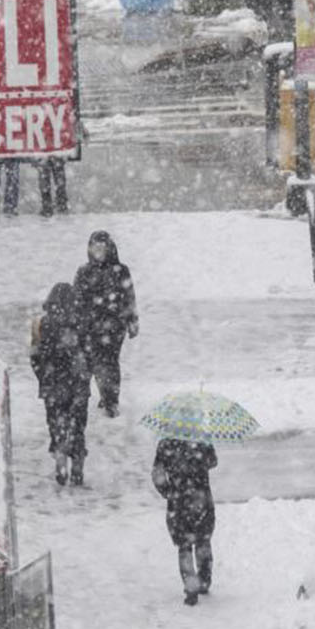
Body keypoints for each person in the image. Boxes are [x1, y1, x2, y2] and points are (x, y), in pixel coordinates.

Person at [30, 283, 91, 486]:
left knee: (57, 426)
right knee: (77, 426)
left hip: (53, 386)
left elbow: (35, 357)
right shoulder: (82, 325)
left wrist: (43, 378)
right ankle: (78, 467)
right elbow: (91, 356)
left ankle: (60, 463)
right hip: (78, 386)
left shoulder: (41, 324)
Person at [73, 231, 138, 417]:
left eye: (102, 248)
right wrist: (77, 322)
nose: (98, 252)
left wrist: (133, 320)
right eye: (94, 248)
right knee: (95, 363)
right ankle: (106, 394)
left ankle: (111, 399)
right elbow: (76, 299)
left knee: (109, 362)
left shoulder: (121, 270)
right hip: (91, 325)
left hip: (115, 326)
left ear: (109, 248)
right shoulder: (84, 271)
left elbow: (129, 296)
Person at [152, 437, 218, 605]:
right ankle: (204, 579)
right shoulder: (202, 440)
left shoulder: (166, 443)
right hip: (201, 499)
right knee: (203, 540)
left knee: (184, 545)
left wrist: (167, 490)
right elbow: (213, 462)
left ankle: (191, 586)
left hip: (178, 502)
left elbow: (158, 474)